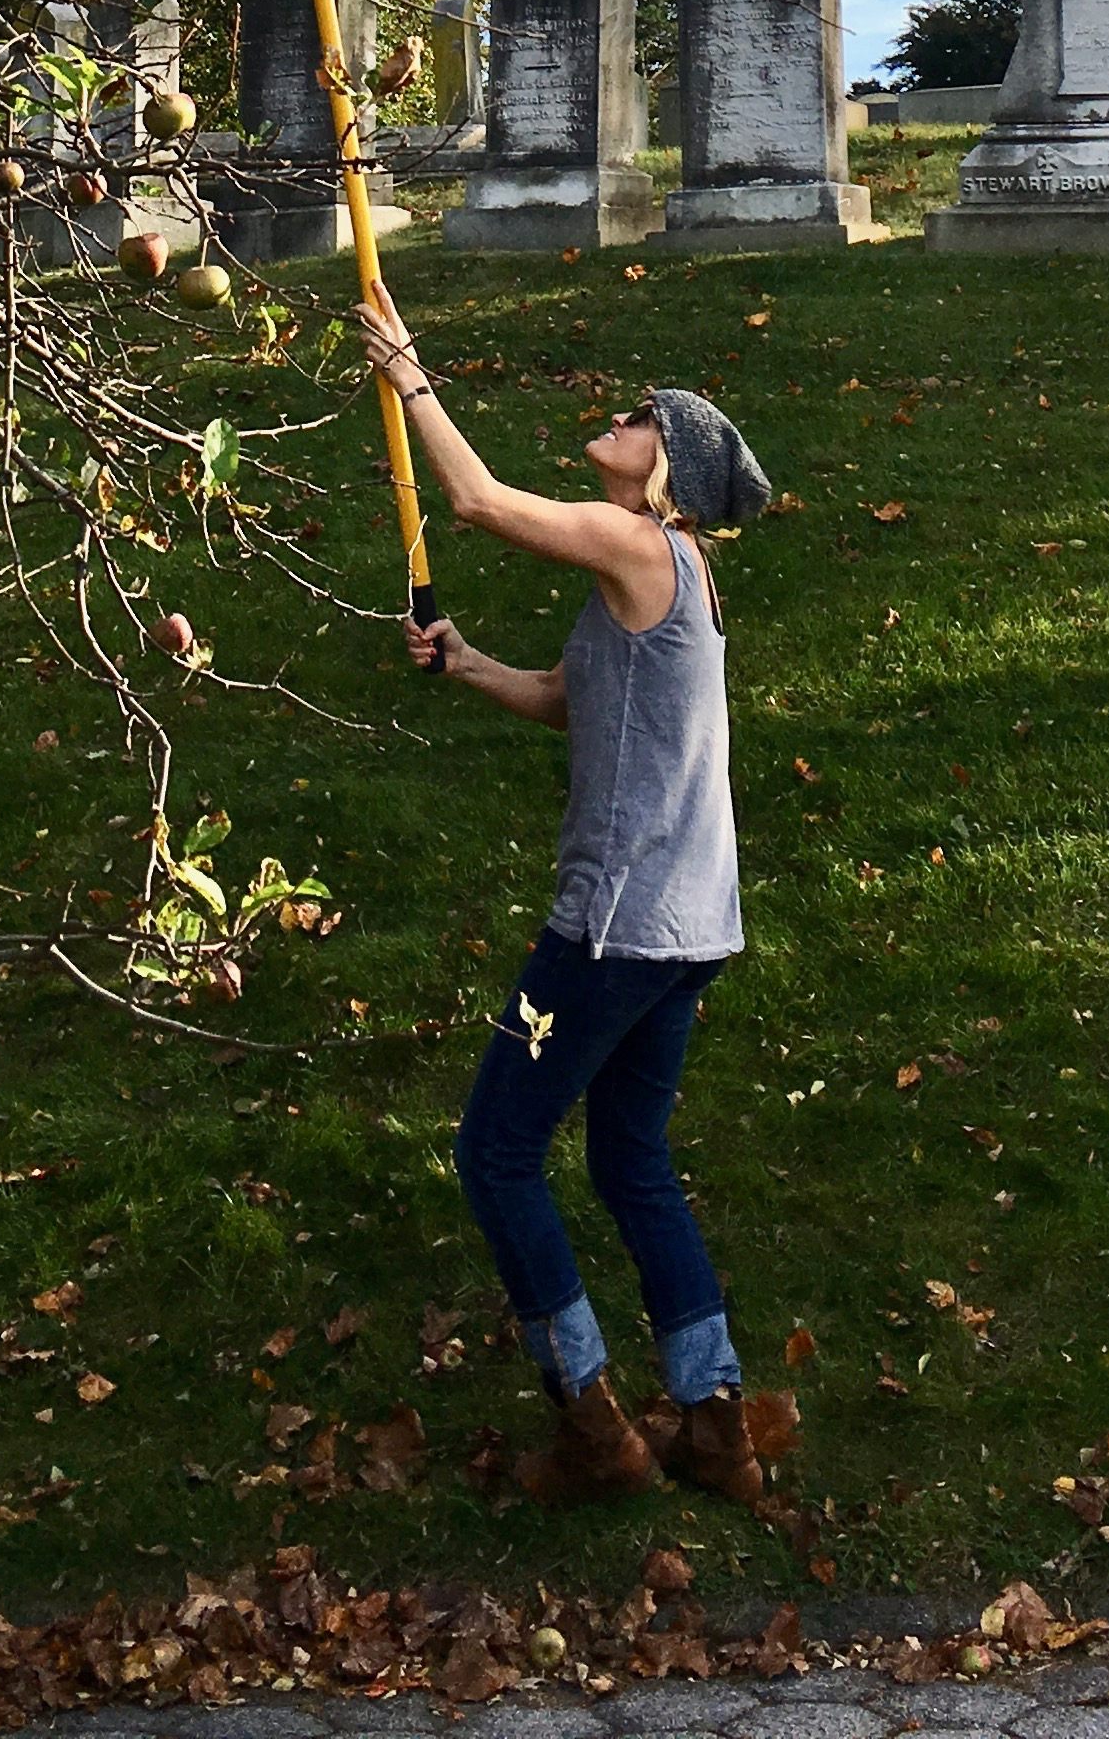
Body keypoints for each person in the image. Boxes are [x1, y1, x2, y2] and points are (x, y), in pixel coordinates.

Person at [358, 298, 798, 1508]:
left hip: (613, 930)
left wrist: (411, 380)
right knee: (630, 1161)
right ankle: (716, 1424)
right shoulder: (661, 578)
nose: (617, 417)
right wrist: (467, 664)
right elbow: (570, 697)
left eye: (641, 419)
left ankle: (598, 1433)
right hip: (687, 928)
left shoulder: (645, 547)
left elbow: (482, 505)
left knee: (497, 1152)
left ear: (673, 475)